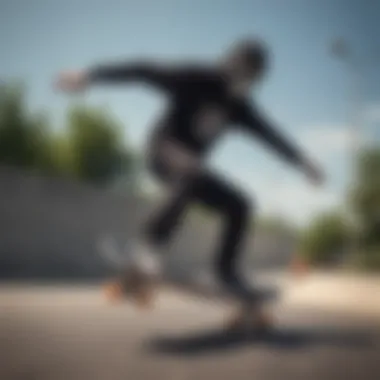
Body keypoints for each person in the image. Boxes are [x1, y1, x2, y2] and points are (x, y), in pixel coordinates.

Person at [56, 38, 324, 327]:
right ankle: (149, 249)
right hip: (162, 151)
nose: (245, 84)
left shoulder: (240, 108)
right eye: (244, 74)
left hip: (190, 173)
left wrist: (301, 161)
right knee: (192, 171)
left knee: (240, 204)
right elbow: (143, 70)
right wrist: (91, 75)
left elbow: (270, 135)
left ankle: (226, 272)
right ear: (231, 63)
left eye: (252, 79)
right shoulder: (197, 78)